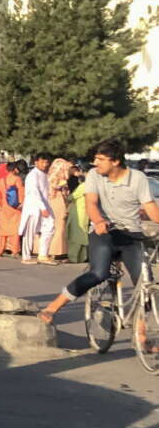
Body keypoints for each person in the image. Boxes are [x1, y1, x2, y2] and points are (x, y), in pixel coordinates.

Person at [39, 140, 159, 326]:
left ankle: (141, 332)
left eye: (101, 159)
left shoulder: (138, 178)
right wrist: (99, 221)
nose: (96, 163)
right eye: (95, 158)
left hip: (132, 235)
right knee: (98, 273)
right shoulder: (94, 175)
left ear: (115, 161)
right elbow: (91, 203)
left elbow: (150, 208)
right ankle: (52, 307)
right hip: (105, 232)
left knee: (145, 282)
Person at [19, 152, 55, 265]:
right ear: (36, 162)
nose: (45, 164)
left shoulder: (44, 175)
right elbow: (34, 192)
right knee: (29, 231)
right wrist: (42, 207)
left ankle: (43, 254)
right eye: (42, 162)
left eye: (47, 162)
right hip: (33, 206)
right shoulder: (32, 175)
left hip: (44, 204)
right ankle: (26, 256)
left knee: (50, 226)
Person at [0, 161, 26, 257]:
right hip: (15, 208)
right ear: (15, 169)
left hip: (4, 208)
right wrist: (21, 203)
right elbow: (21, 192)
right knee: (15, 230)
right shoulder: (17, 179)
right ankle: (15, 250)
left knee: (2, 230)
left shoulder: (2, 180)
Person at [47, 157, 74, 261]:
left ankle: (49, 250)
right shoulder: (58, 181)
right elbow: (56, 186)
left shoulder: (49, 177)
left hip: (53, 200)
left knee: (53, 226)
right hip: (58, 201)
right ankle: (56, 250)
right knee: (60, 225)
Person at [65, 165, 89, 263]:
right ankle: (83, 257)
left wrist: (65, 195)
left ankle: (73, 257)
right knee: (83, 234)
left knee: (75, 235)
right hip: (85, 212)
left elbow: (71, 197)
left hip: (78, 211)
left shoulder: (84, 186)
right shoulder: (92, 185)